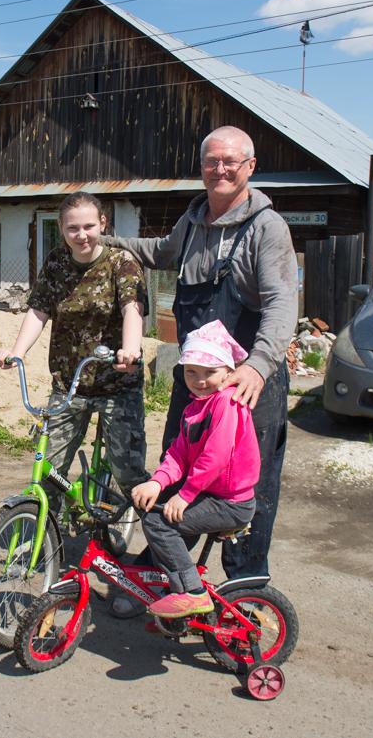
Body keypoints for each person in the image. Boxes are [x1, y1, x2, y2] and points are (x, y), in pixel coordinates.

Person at [102, 125, 297, 608]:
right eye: (212, 161)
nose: (220, 169)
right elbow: (160, 254)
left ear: (250, 167)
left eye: (231, 161)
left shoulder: (266, 228)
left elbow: (280, 303)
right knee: (178, 464)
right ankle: (161, 577)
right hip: (195, 383)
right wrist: (108, 242)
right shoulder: (191, 223)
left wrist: (257, 366)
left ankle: (246, 592)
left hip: (250, 384)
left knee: (248, 488)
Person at [0, 191, 149, 502]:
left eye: (89, 226)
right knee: (48, 470)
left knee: (129, 475)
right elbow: (39, 310)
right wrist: (17, 351)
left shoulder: (122, 263)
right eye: (72, 229)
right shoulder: (56, 262)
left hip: (117, 383)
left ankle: (157, 543)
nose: (82, 236)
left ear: (102, 223)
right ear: (62, 229)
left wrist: (131, 349)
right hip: (69, 385)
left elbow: (133, 308)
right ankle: (47, 539)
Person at [131, 320, 259, 618]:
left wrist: (185, 495)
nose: (200, 380)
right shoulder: (196, 406)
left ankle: (191, 591)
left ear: (229, 372)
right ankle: (175, 589)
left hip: (231, 502)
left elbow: (215, 457)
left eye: (210, 372)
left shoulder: (227, 402)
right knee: (159, 514)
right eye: (192, 372)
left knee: (159, 524)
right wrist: (158, 483)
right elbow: (178, 454)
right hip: (215, 496)